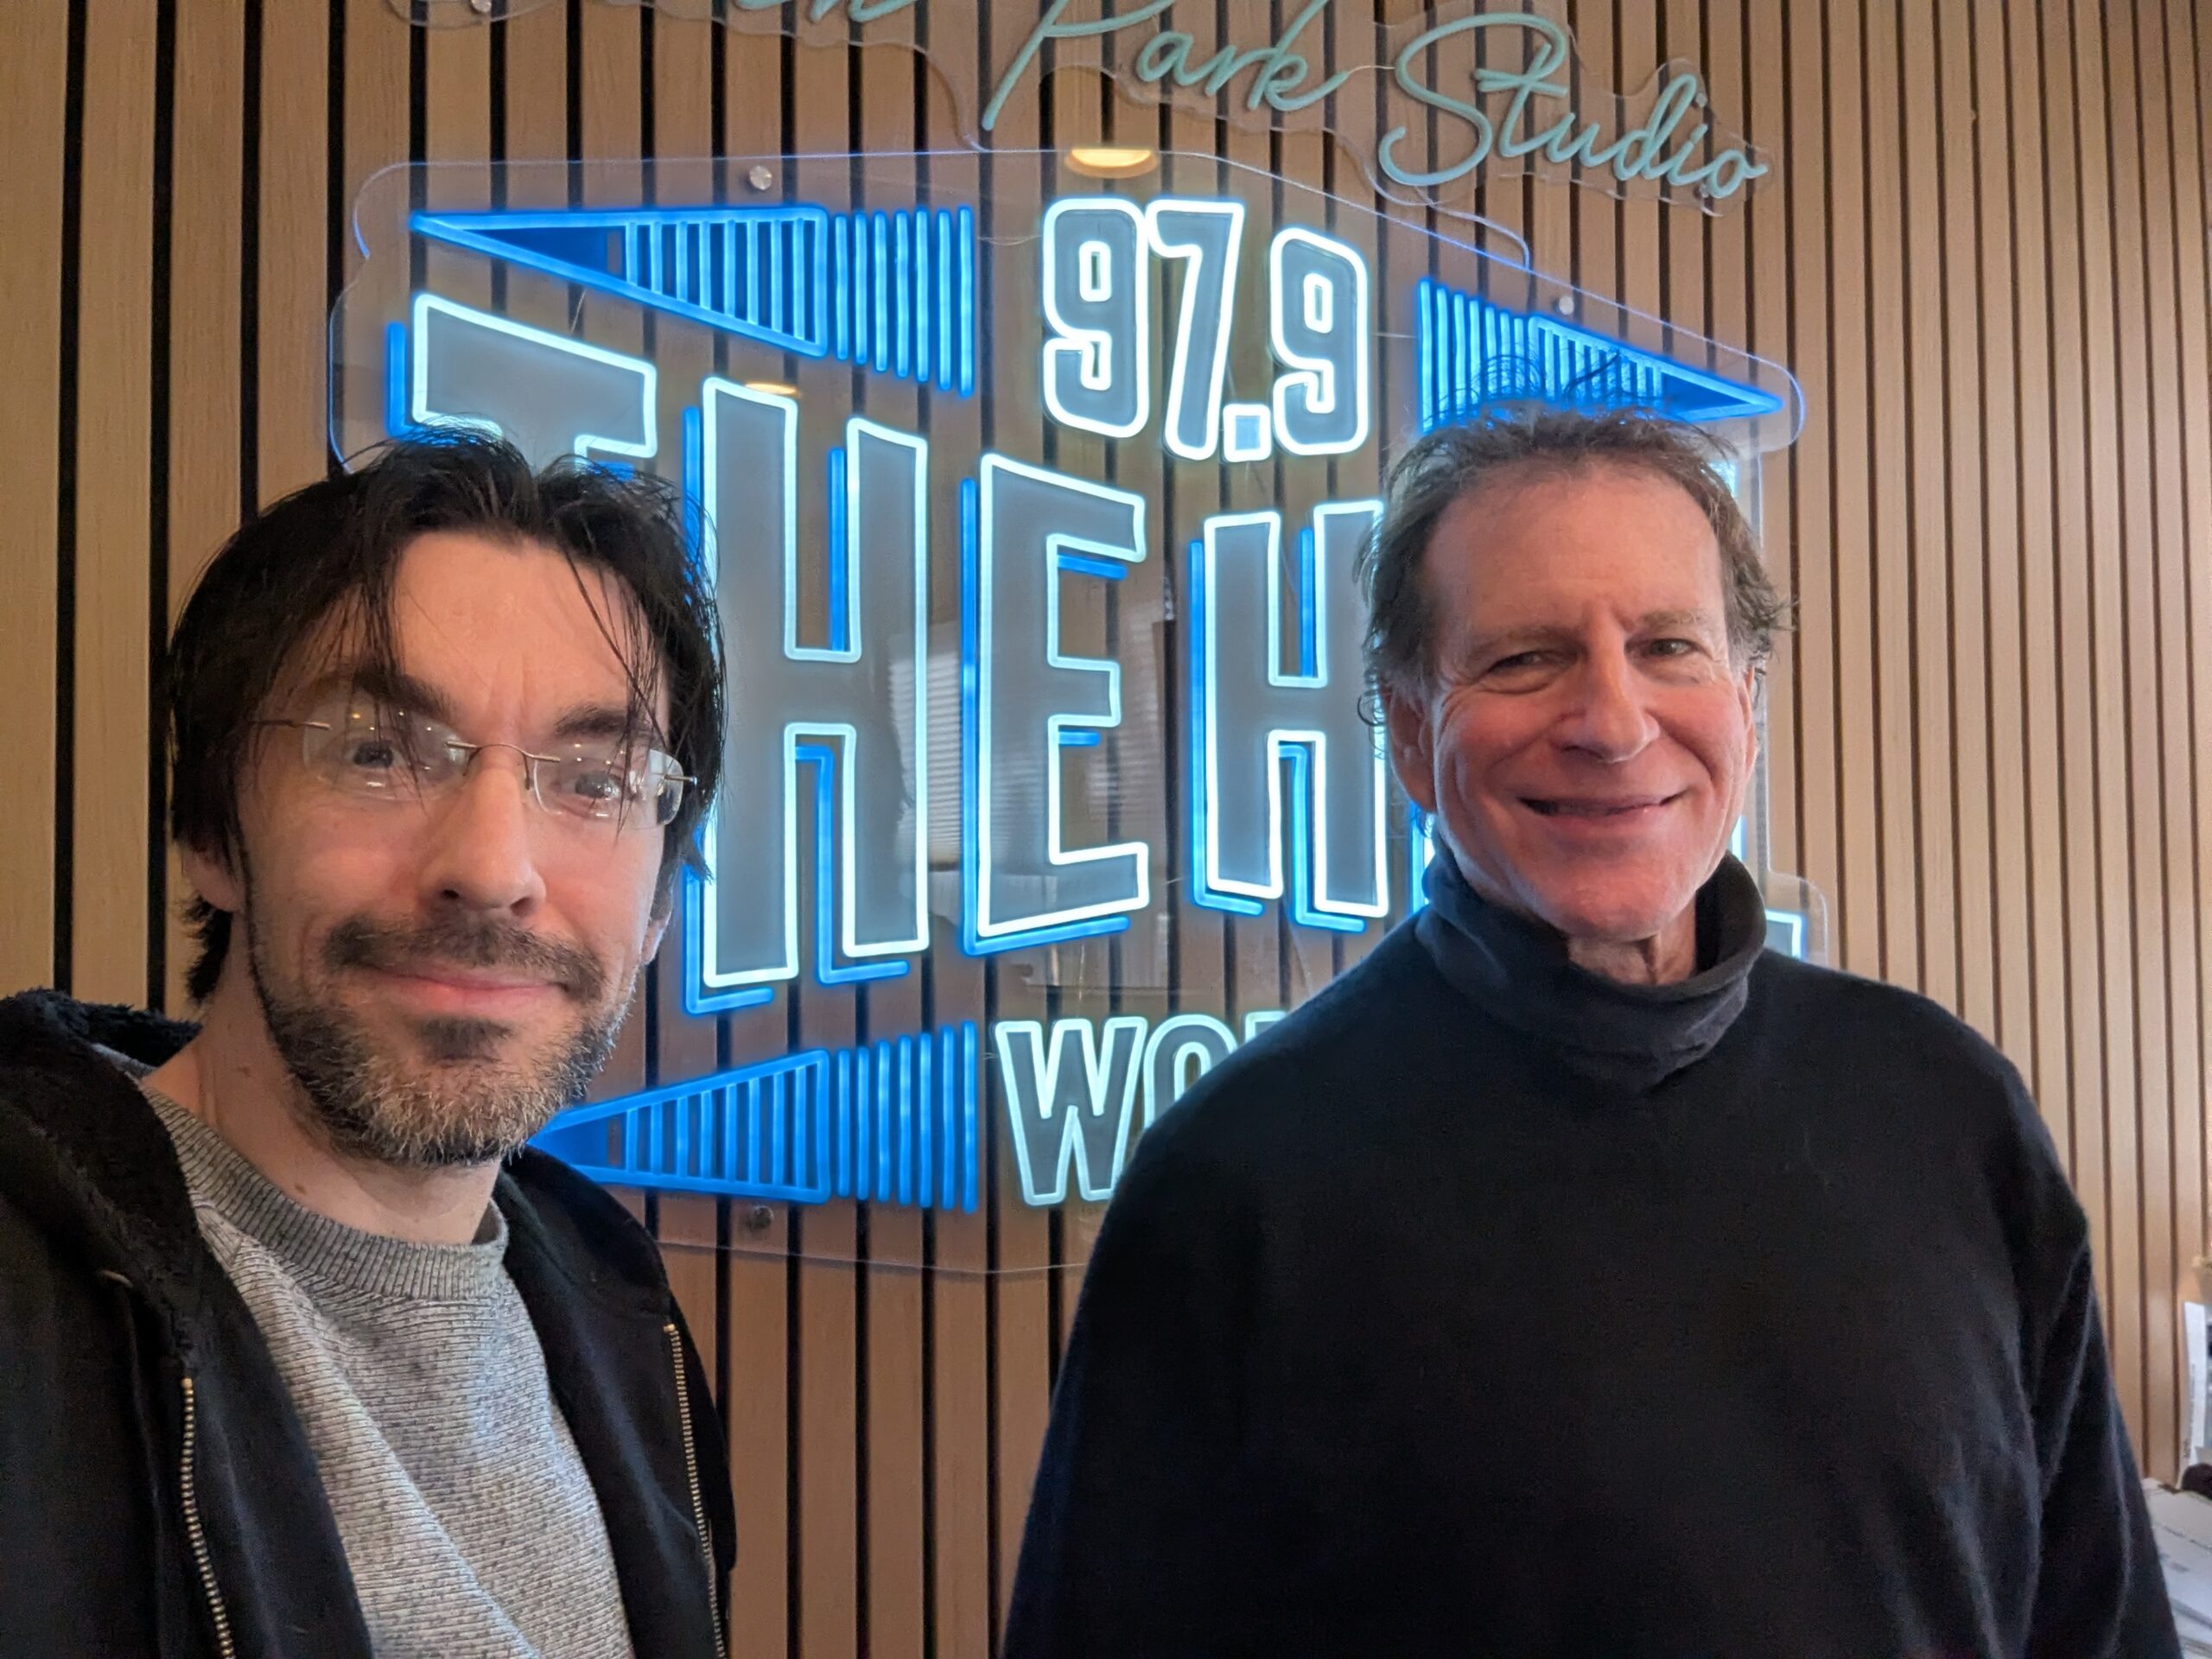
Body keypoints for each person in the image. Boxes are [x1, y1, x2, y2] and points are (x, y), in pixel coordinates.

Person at [1004, 406, 2177, 1656]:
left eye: (1668, 646)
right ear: (1412, 731)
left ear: (1748, 705)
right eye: (1524, 658)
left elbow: (2098, 1628)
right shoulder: (1232, 1182)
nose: (1613, 724)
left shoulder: (1947, 1105)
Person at [0, 435, 735, 1657]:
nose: (491, 870)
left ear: (660, 903)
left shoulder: (621, 1319)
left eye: (596, 779)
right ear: (213, 834)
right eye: (379, 752)